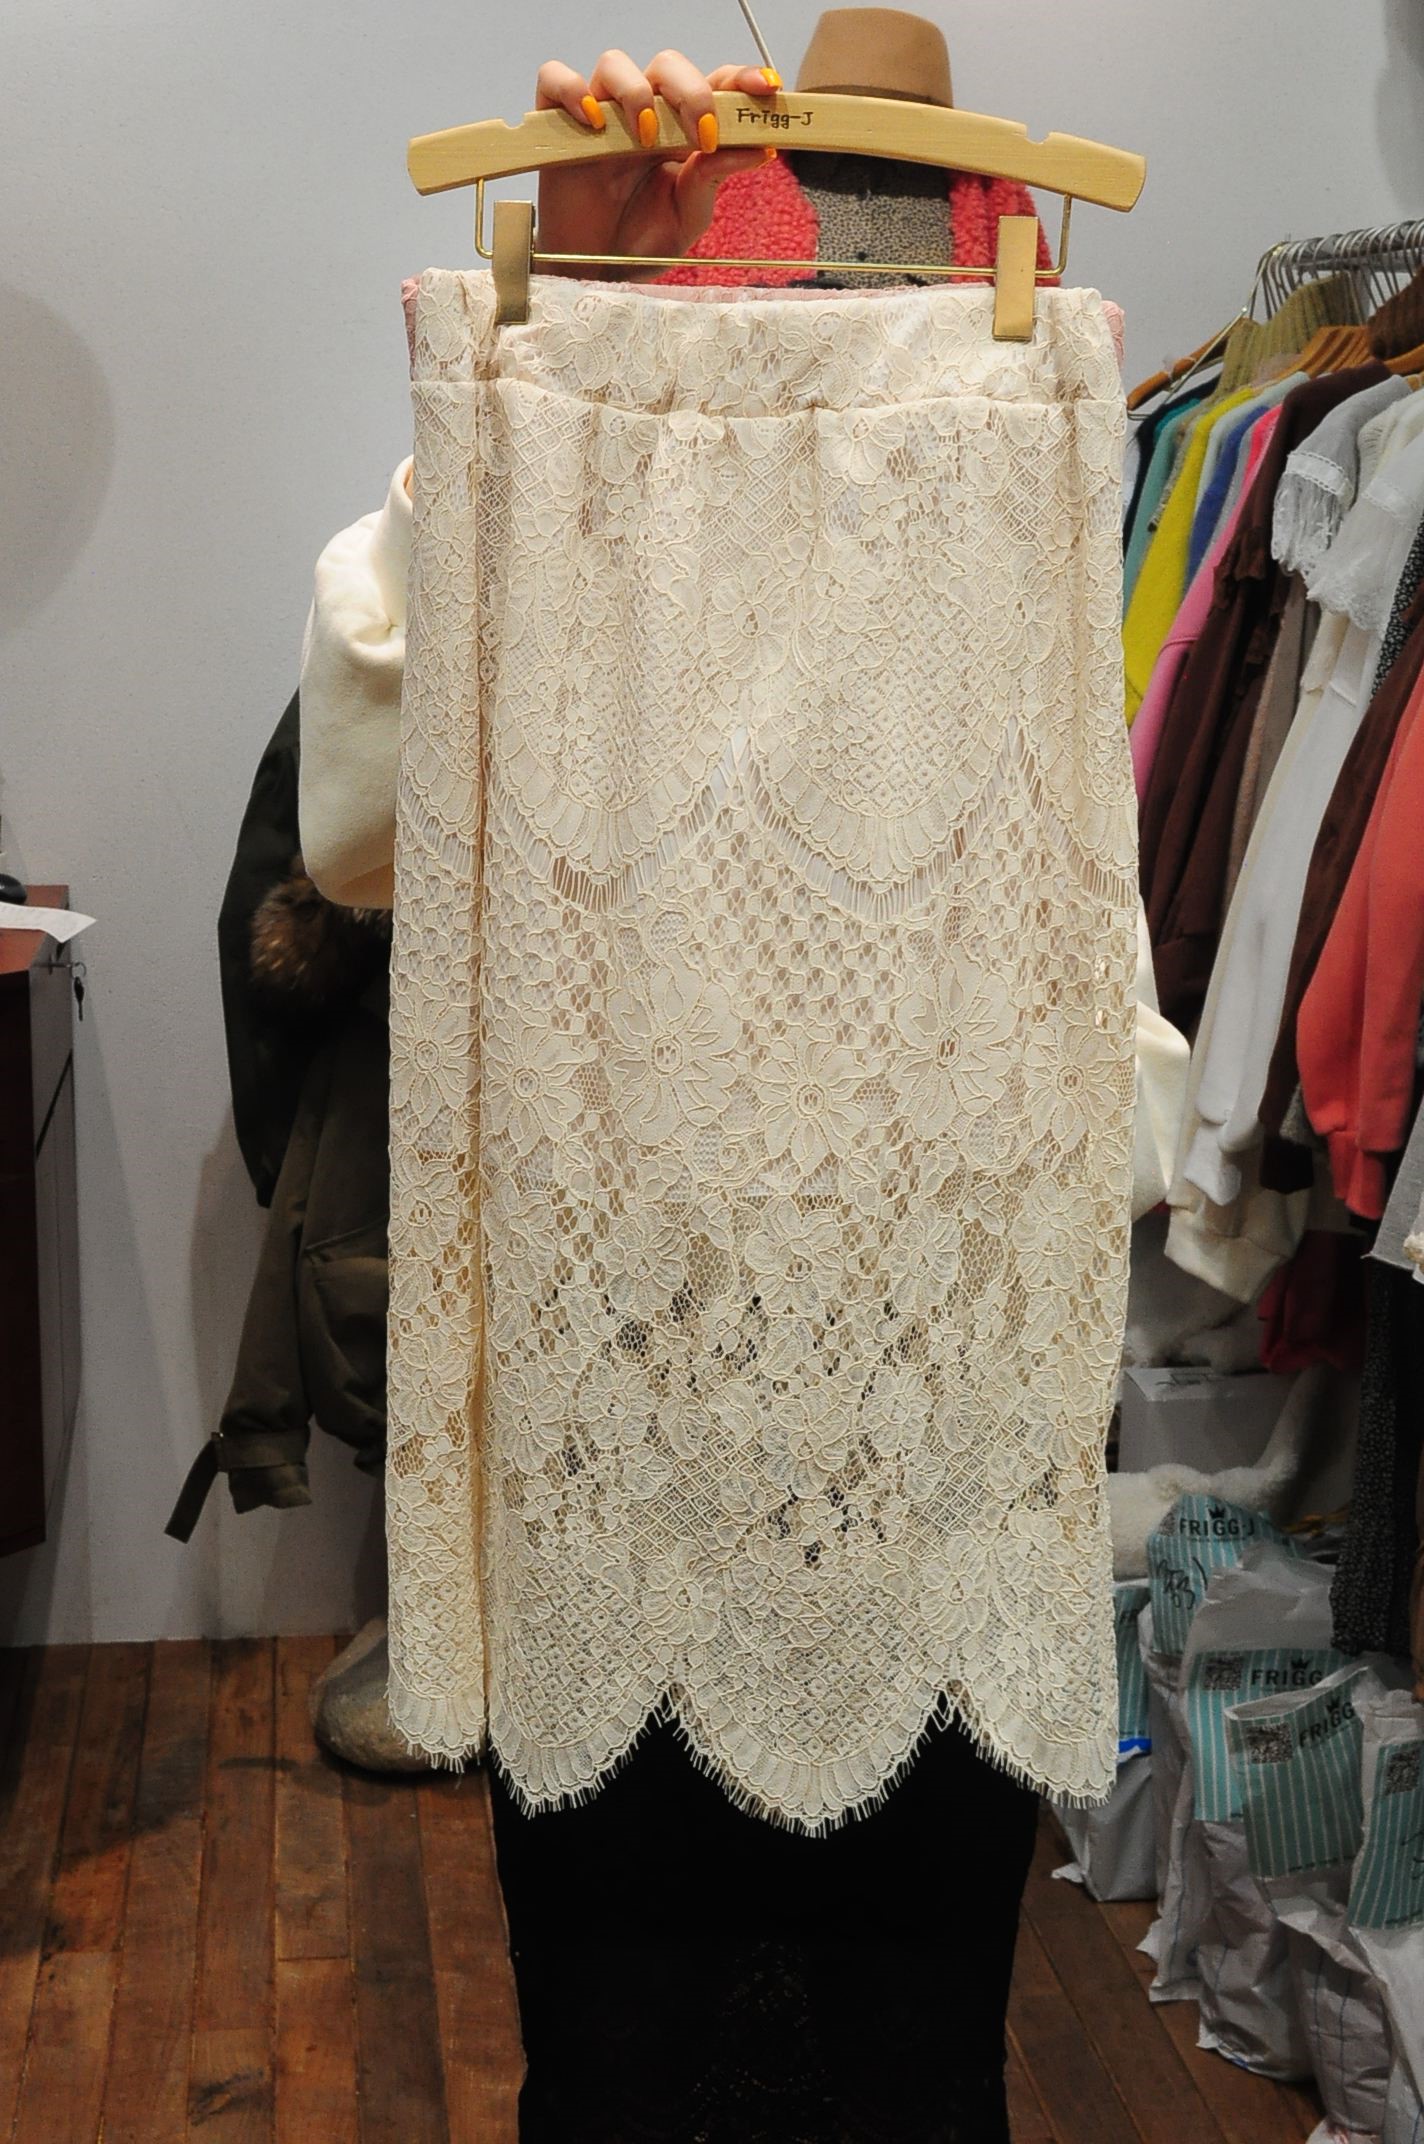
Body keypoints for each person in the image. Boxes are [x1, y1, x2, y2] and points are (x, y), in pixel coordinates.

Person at [301, 45, 1178, 2140]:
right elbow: (356, 837)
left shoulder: (1025, 432)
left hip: (925, 1427)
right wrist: (520, 416)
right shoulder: (568, 456)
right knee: (625, 2046)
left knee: (907, 2057)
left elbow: (1102, 1007)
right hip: (625, 1420)